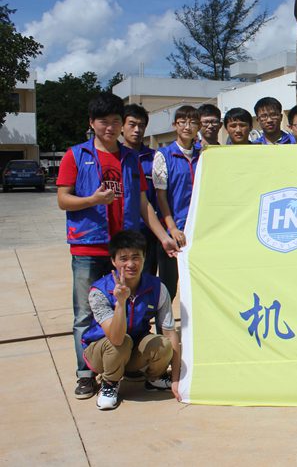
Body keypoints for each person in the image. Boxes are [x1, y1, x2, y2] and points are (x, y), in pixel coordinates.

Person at [56, 93, 179, 400]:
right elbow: (63, 199)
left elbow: (143, 203)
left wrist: (163, 235)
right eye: (103, 122)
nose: (110, 127)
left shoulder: (130, 158)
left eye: (115, 121)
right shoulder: (75, 155)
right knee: (84, 313)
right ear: (91, 123)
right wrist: (92, 200)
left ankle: (132, 362)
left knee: (133, 306)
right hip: (89, 246)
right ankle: (86, 374)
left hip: (125, 249)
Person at [83, 230, 181, 410]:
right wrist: (120, 303)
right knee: (121, 342)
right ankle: (109, 383)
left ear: (144, 258)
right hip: (102, 352)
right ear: (113, 261)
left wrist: (176, 379)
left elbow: (170, 333)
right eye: (123, 258)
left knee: (163, 344)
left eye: (136, 257)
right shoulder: (99, 291)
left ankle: (155, 378)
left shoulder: (157, 287)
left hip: (133, 351)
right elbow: (116, 338)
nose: (130, 264)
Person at [153, 105, 202, 302]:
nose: (187, 127)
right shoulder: (163, 155)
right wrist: (172, 228)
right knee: (169, 287)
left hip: (198, 230)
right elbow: (161, 196)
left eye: (193, 122)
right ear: (175, 125)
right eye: (182, 122)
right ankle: (163, 322)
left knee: (198, 284)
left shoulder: (203, 155)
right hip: (174, 230)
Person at [121, 104, 158, 276]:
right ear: (122, 126)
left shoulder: (155, 158)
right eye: (132, 124)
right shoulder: (115, 157)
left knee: (146, 277)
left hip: (149, 231)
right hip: (122, 230)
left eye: (141, 125)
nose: (137, 130)